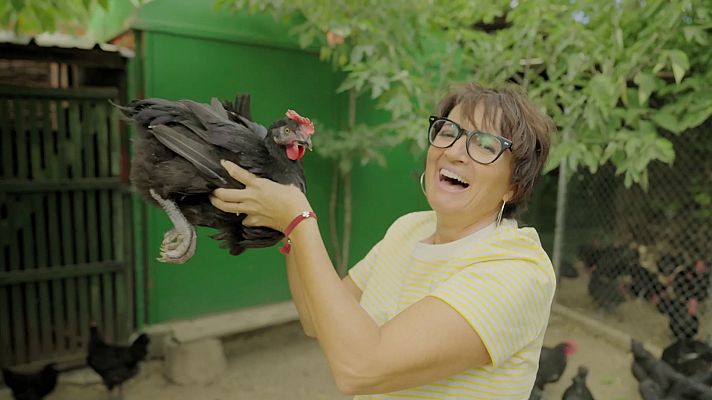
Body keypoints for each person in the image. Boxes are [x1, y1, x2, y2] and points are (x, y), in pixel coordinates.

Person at [210, 82, 556, 399]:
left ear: (515, 185)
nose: (453, 152)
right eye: (449, 131)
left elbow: (361, 368)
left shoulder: (517, 271)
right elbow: (316, 319)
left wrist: (300, 220)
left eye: (484, 144)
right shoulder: (409, 230)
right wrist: (288, 224)